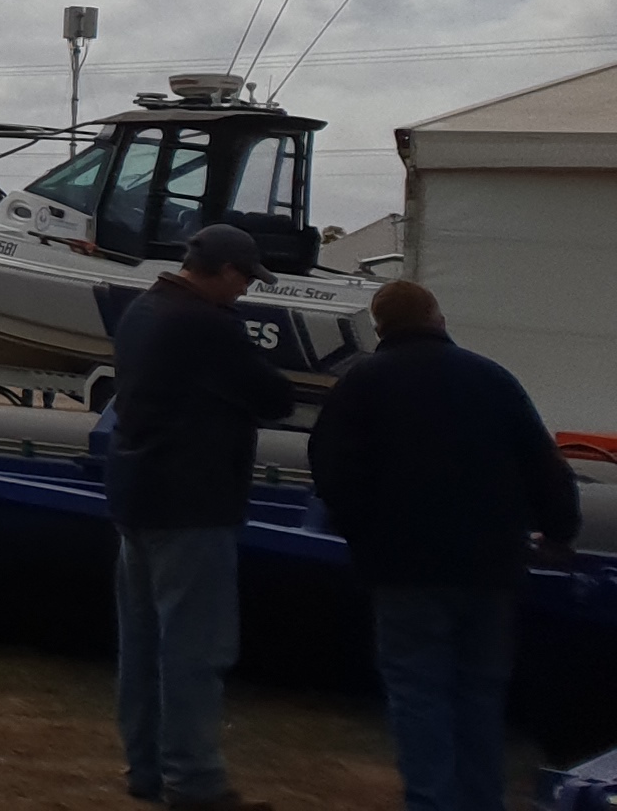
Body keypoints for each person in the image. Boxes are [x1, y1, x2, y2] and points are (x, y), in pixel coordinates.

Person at [305, 280, 582, 811]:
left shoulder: (360, 384)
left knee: (418, 693)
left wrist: (360, 530)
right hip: (489, 566)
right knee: (479, 693)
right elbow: (545, 466)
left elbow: (331, 469)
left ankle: (431, 802)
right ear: (436, 317)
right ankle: (482, 801)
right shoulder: (492, 379)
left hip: (402, 569)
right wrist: (559, 532)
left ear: (381, 326)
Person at [106, 223, 295, 811]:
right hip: (193, 500)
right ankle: (194, 782)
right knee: (194, 649)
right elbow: (274, 398)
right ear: (226, 272)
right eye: (245, 280)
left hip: (137, 493)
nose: (245, 293)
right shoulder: (208, 325)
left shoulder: (142, 309)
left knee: (139, 645)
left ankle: (147, 769)